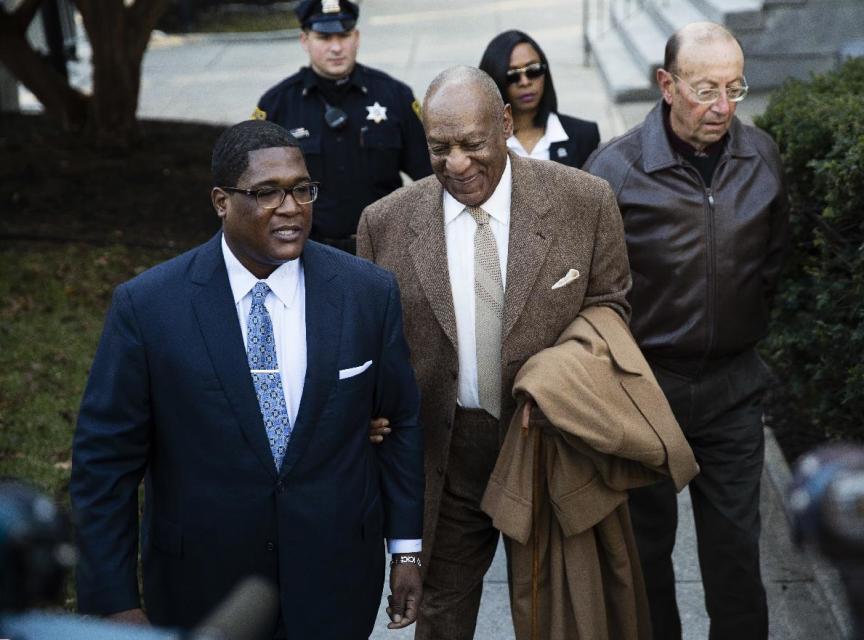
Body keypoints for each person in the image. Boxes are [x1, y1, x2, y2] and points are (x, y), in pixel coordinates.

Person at [70, 119, 425, 640]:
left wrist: (405, 550)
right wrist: (113, 600)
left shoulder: (366, 293)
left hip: (335, 584)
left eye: (302, 189)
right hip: (202, 592)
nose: (291, 208)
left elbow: (400, 422)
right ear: (221, 201)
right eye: (266, 193)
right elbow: (103, 466)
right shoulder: (148, 308)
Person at [357, 66, 631, 640]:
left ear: (505, 123)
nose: (456, 164)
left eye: (472, 145)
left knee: (561, 618)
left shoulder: (584, 201)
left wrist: (557, 381)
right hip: (448, 452)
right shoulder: (384, 224)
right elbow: (372, 344)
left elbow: (609, 309)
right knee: (442, 619)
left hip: (547, 450)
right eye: (439, 148)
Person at [584, 22, 790, 640]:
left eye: (735, 88)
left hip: (732, 392)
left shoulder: (763, 156)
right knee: (645, 561)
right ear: (666, 85)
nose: (723, 107)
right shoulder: (613, 170)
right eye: (706, 90)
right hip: (646, 394)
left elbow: (773, 264)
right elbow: (590, 290)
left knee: (735, 559)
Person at [253, 0, 432, 254]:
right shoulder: (277, 105)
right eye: (324, 37)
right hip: (310, 253)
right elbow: (257, 190)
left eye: (344, 35)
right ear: (305, 40)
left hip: (384, 250)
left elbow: (430, 177)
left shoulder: (395, 96)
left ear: (356, 37)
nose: (336, 47)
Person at [479, 29, 600, 168]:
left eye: (533, 70)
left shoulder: (584, 136)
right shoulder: (481, 143)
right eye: (512, 75)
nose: (525, 82)